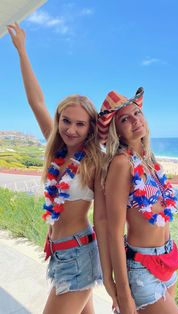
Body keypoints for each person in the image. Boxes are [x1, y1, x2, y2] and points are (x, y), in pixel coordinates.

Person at [8, 23, 117, 314]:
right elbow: (36, 101)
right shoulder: (56, 149)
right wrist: (21, 50)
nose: (71, 129)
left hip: (78, 255)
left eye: (80, 123)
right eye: (66, 120)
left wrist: (113, 277)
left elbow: (108, 220)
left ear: (91, 127)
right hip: (59, 252)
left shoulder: (95, 162)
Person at [98, 88, 178, 313]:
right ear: (117, 130)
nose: (135, 120)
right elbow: (114, 232)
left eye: (137, 113)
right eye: (125, 119)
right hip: (143, 268)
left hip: (168, 259)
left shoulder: (150, 162)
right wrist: (123, 293)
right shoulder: (121, 164)